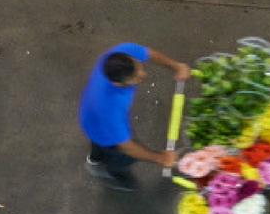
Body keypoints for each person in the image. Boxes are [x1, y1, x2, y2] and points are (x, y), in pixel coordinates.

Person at [79, 43, 191, 191]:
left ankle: (94, 159)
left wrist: (175, 66)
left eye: (139, 67)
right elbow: (127, 147)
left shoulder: (120, 54)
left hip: (88, 115)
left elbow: (150, 53)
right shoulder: (110, 106)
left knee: (99, 146)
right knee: (122, 157)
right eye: (135, 78)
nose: (142, 74)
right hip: (102, 131)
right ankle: (109, 172)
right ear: (117, 83)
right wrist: (160, 158)